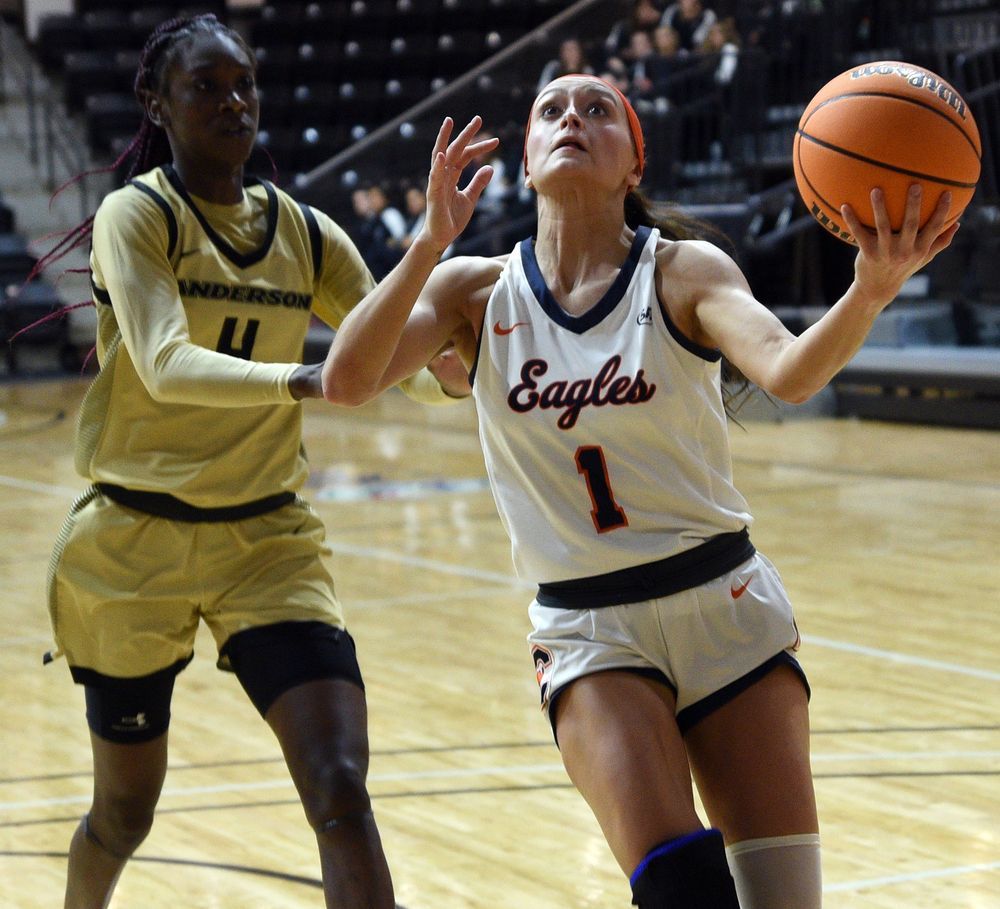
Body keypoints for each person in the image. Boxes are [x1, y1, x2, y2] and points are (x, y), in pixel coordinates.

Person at [319, 74, 959, 908]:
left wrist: (869, 291)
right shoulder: (471, 292)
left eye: (597, 111)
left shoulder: (684, 271)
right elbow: (346, 379)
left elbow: (790, 373)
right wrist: (427, 243)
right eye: (550, 109)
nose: (572, 120)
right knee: (683, 891)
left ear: (633, 164)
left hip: (725, 605)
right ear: (525, 160)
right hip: (589, 627)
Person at [42, 14, 491, 909]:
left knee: (339, 785)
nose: (231, 102)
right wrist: (312, 379)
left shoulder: (308, 233)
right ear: (155, 103)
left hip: (267, 543)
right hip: (134, 543)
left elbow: (394, 362)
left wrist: (460, 363)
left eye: (243, 84)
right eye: (205, 87)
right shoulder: (138, 218)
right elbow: (165, 364)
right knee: (125, 812)